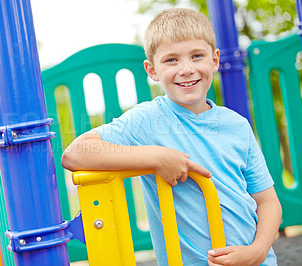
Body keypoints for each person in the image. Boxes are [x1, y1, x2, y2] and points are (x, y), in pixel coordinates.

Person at [61, 8, 282, 266]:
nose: (186, 69)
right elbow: (75, 153)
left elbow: (267, 201)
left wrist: (257, 251)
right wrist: (155, 156)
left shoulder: (237, 125)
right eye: (171, 60)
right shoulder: (147, 120)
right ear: (152, 70)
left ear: (214, 59)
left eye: (197, 56)